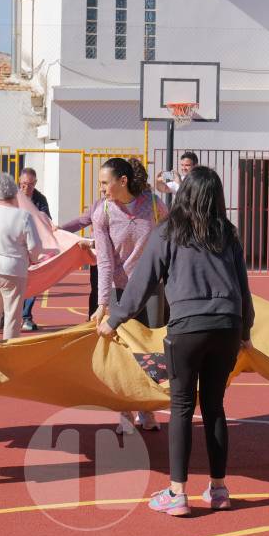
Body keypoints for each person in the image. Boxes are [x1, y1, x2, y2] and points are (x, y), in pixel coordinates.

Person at [97, 166, 253, 517]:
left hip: (187, 327)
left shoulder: (169, 231)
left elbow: (143, 282)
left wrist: (115, 319)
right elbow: (243, 287)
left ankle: (177, 493)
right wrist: (245, 333)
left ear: (183, 195)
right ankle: (218, 489)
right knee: (215, 406)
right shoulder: (228, 233)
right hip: (227, 325)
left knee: (182, 406)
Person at [91, 156, 168, 434]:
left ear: (122, 181)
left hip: (152, 289)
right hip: (121, 290)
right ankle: (124, 410)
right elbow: (105, 261)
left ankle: (147, 410)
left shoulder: (155, 206)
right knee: (122, 351)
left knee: (150, 349)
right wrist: (102, 303)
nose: (100, 188)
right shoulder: (104, 213)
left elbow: (168, 244)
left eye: (104, 182)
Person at [0, 172, 42, 342]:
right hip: (13, 269)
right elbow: (35, 247)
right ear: (14, 193)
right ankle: (9, 353)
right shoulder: (23, 216)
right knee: (12, 315)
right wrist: (32, 258)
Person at [58, 188, 105, 319]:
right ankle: (92, 321)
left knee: (114, 292)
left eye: (105, 183)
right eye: (101, 184)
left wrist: (91, 244)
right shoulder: (98, 204)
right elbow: (81, 221)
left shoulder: (122, 208)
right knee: (96, 290)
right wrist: (61, 229)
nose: (101, 188)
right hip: (98, 257)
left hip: (117, 259)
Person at [17, 167, 50, 331]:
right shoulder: (12, 196)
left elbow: (46, 220)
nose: (26, 188)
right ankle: (6, 316)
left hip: (33, 246)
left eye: (30, 185)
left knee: (32, 281)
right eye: (23, 184)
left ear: (35, 183)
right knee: (11, 283)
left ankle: (25, 317)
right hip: (15, 246)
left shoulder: (40, 199)